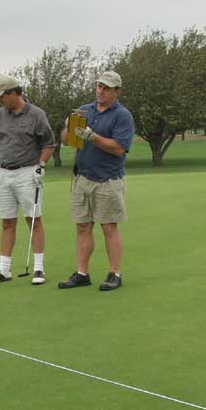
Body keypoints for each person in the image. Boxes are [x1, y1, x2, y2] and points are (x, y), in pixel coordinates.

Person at [58, 71, 135, 291]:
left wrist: (93, 137)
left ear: (116, 91)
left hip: (108, 179)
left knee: (109, 227)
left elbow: (119, 148)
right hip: (82, 177)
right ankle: (82, 273)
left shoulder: (122, 115)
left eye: (106, 88)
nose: (101, 91)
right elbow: (67, 141)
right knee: (82, 226)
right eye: (99, 86)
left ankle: (114, 274)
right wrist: (68, 128)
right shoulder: (84, 110)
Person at [0, 74, 55, 285]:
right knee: (7, 222)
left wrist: (40, 166)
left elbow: (49, 144)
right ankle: (4, 269)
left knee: (33, 220)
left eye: (2, 96)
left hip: (27, 172)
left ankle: (39, 269)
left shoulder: (37, 115)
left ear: (14, 93)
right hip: (3, 173)